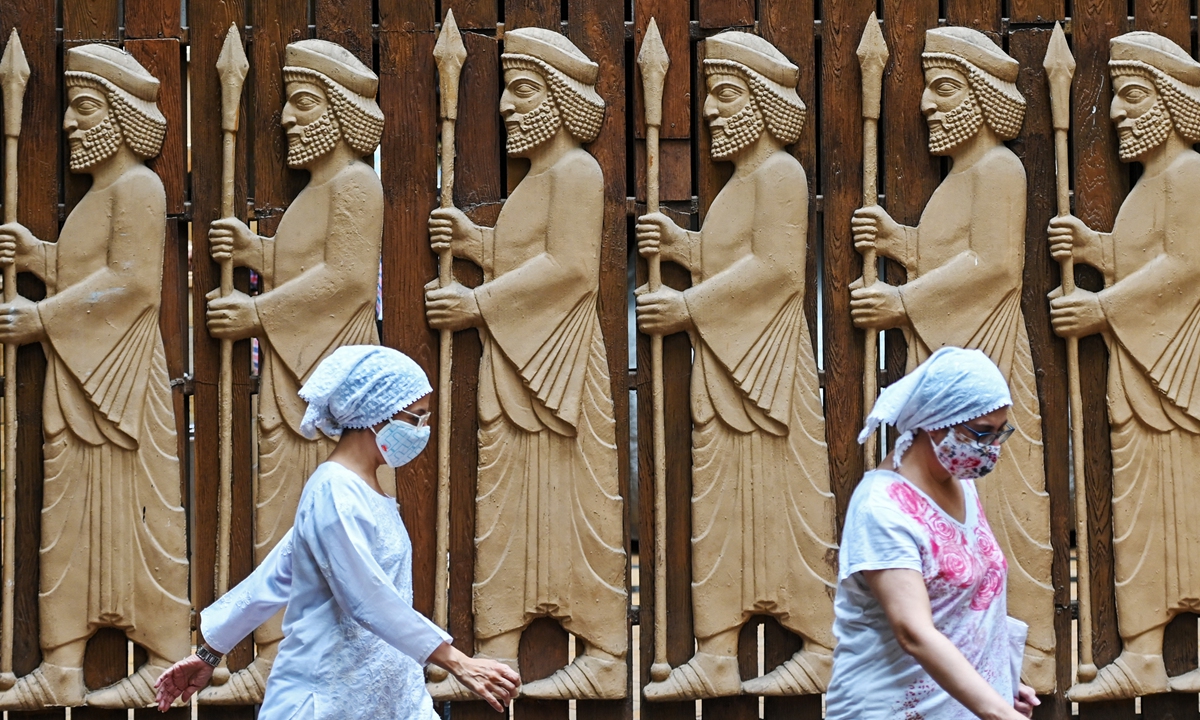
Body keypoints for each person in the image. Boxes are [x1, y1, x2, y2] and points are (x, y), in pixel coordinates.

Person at [423, 27, 627, 700]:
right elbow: (528, 256)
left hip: (558, 367)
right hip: (517, 365)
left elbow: (568, 270)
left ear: (563, 100)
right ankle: (497, 650)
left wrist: (476, 301)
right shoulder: (542, 179)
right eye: (508, 91)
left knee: (575, 506)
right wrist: (479, 242)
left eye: (523, 91)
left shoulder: (577, 171)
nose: (507, 106)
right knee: (506, 505)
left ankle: (603, 653)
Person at [849, 26, 1054, 691]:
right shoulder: (964, 177)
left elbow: (991, 268)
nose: (928, 106)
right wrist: (903, 242)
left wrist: (902, 298)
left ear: (980, 96)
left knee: (1001, 507)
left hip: (982, 363)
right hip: (948, 357)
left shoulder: (999, 168)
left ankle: (1026, 652)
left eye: (943, 89)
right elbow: (953, 255)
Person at [153, 346, 520, 717]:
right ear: (377, 412)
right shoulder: (333, 491)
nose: (422, 430)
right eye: (416, 417)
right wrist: (458, 662)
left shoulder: (361, 489)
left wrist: (210, 652)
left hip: (388, 693)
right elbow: (366, 595)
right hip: (327, 697)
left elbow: (278, 575)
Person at [636, 31, 835, 700]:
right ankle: (718, 650)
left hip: (767, 367)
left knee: (784, 499)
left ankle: (821, 643)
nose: (713, 113)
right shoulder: (741, 184)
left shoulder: (781, 172)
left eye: (725, 95)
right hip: (725, 364)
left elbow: (775, 271)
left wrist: (686, 304)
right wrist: (687, 247)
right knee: (719, 502)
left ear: (761, 101)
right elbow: (734, 259)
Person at [0, 44, 189, 709]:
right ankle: (62, 667)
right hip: (78, 375)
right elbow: (90, 273)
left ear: (120, 115)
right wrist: (43, 258)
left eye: (84, 109)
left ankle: (168, 656)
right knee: (69, 515)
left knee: (141, 519)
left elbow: (132, 284)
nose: (72, 125)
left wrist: (42, 316)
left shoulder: (140, 186)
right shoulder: (100, 196)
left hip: (118, 380)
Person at [202, 38, 386, 702]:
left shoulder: (358, 184)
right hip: (292, 377)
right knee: (285, 522)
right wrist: (261, 252)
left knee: (329, 525)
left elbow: (344, 281)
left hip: (331, 382)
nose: (286, 119)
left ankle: (332, 662)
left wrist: (256, 312)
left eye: (302, 103)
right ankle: (278, 656)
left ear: (340, 113)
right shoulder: (318, 192)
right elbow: (310, 264)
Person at [1047, 30, 1200, 700]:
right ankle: (1142, 653)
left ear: (1170, 103)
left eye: (1131, 96)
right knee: (1136, 508)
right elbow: (1148, 259)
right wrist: (1098, 248)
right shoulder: (1152, 186)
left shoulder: (1189, 176)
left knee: (1183, 507)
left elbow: (1184, 265)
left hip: (1173, 370)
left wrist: (1103, 306)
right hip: (1138, 370)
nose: (1114, 114)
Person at [825, 347, 1038, 720]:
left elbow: (960, 605)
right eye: (982, 433)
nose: (991, 448)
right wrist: (999, 713)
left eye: (999, 432)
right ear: (937, 422)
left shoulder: (962, 485)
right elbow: (914, 632)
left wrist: (995, 681)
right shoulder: (882, 507)